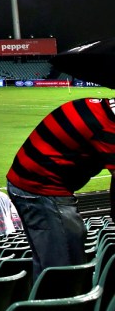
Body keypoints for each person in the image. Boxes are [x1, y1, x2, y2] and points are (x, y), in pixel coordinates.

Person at [7, 97, 115, 278]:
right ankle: (62, 304)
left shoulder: (103, 108)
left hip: (31, 182)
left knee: (52, 260)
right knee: (65, 267)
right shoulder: (109, 128)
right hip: (40, 189)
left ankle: (46, 301)